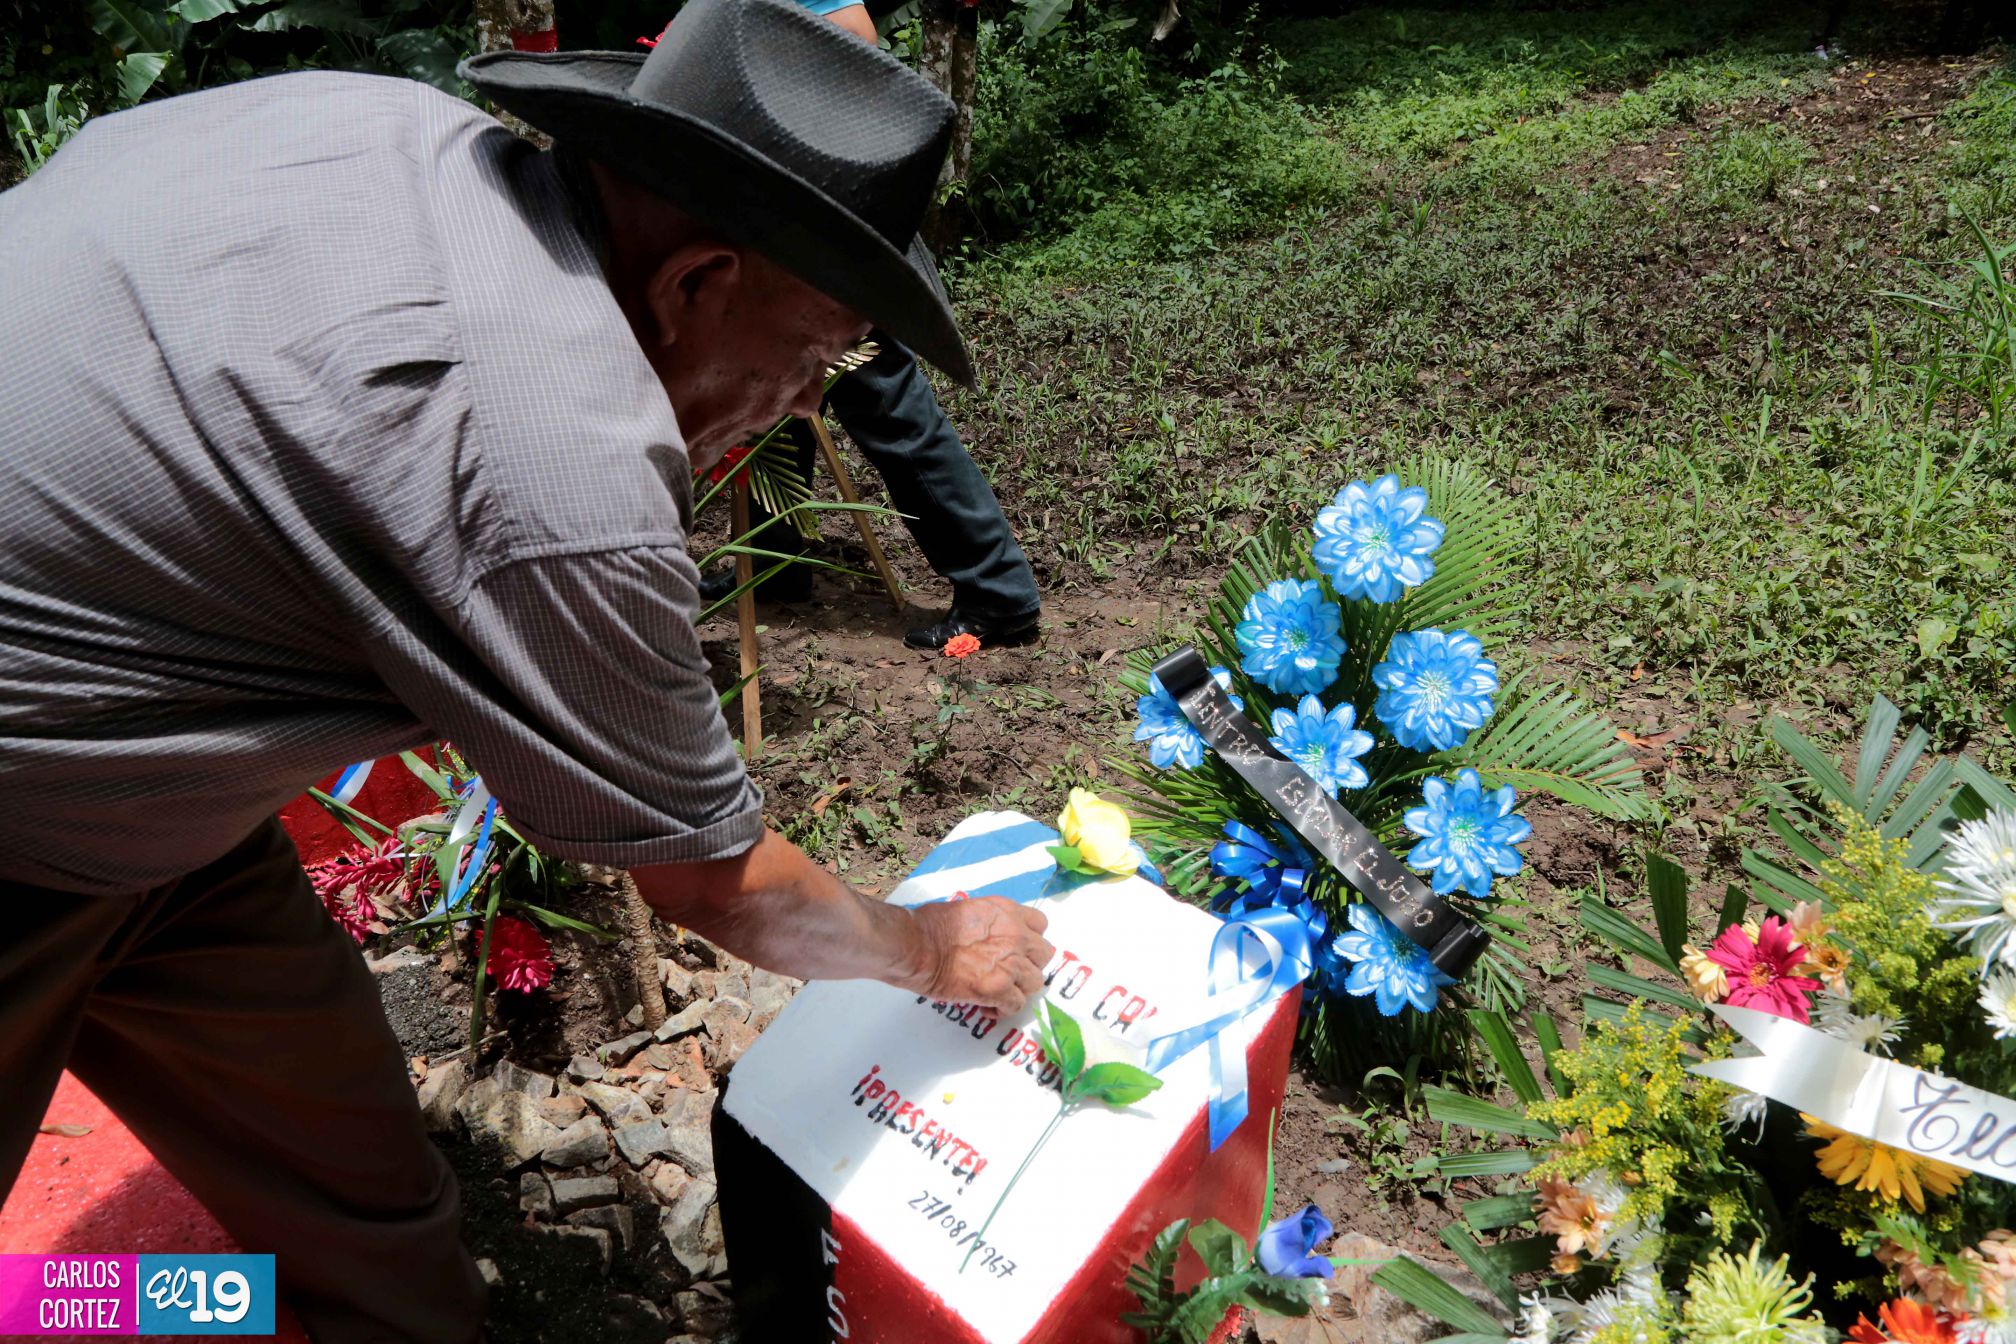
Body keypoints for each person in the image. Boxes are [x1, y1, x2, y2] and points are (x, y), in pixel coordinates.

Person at [0, 1, 1053, 1338]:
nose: (803, 402)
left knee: (353, 1180)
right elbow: (712, 880)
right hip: (28, 788)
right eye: (811, 355)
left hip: (154, 772)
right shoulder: (554, 454)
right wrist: (932, 948)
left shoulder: (392, 128)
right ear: (696, 283)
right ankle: (59, 1309)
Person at [693, 0, 1044, 652]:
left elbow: (856, 38)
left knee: (884, 398)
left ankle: (998, 590)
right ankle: (774, 558)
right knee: (771, 396)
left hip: (825, 228)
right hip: (779, 225)